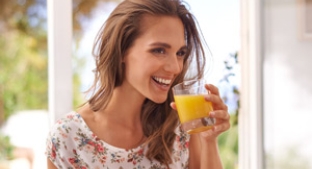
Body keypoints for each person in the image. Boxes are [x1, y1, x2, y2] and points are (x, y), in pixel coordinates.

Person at [45, 0, 230, 168]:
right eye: (159, 50)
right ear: (122, 49)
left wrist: (209, 139)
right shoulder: (68, 138)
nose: (175, 67)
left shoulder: (180, 126)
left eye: (180, 53)